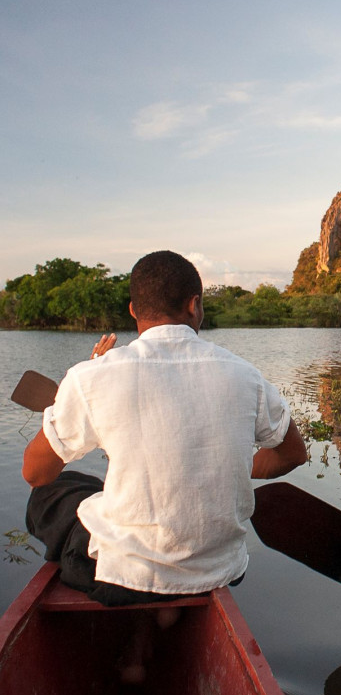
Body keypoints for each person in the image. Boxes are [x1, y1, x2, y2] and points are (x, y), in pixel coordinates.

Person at [22, 250, 308, 608]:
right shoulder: (246, 375)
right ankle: (166, 617)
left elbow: (35, 472)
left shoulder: (92, 377)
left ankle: (135, 624)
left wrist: (67, 397)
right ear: (195, 305)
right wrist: (221, 470)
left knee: (52, 492)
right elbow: (294, 453)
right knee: (91, 487)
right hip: (221, 569)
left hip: (125, 579)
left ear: (133, 310)